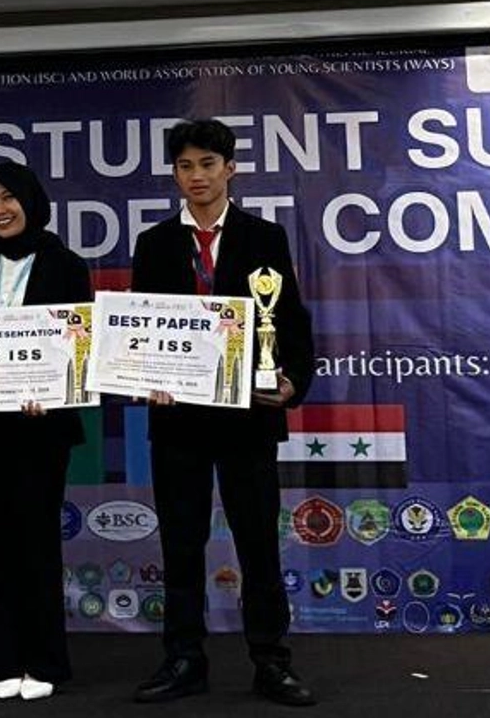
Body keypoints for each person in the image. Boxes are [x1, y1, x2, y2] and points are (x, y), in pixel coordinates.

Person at [130, 120, 317, 707]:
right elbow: (142, 329)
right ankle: (184, 660)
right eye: (186, 166)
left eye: (208, 164)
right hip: (178, 422)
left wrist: (292, 381)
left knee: (258, 544)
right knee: (181, 546)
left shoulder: (265, 237)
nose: (197, 176)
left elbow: (290, 321)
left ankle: (272, 662)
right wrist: (146, 379)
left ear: (230, 169)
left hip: (248, 418)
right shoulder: (154, 243)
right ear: (175, 174)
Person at [0, 162, 92, 701]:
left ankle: (45, 661)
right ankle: (1, 657)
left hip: (40, 429)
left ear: (31, 202)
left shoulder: (66, 265)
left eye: (9, 198)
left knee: (37, 543)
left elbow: (78, 345)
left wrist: (52, 390)